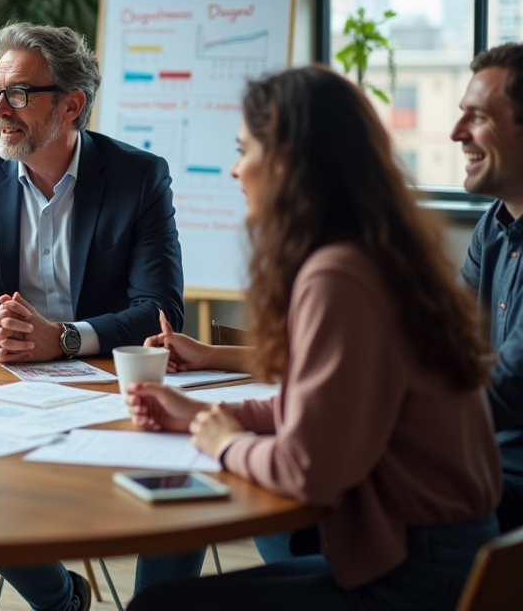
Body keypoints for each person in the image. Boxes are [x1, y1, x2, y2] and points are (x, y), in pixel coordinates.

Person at [125, 67, 501, 611]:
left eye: (243, 150)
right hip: (451, 555)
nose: (235, 170)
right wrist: (199, 415)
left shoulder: (337, 275)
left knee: (159, 606)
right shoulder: (378, 252)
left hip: (414, 576)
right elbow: (325, 409)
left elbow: (309, 472)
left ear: (286, 162)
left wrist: (224, 443)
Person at [0, 21, 186, 611]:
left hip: (109, 382)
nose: (0, 109)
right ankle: (61, 600)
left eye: (19, 93)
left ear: (72, 105)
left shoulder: (138, 177)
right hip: (2, 387)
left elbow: (161, 310)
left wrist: (61, 339)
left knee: (178, 468)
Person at [452, 42, 523, 534]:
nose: (457, 134)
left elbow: (503, 390)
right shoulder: (493, 226)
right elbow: (438, 347)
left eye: (477, 117)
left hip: (508, 494)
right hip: (476, 464)